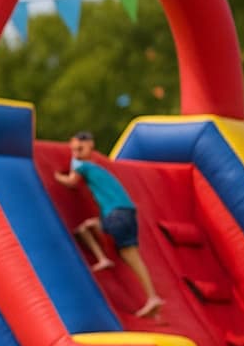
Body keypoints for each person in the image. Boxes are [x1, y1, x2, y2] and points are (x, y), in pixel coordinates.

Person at [54, 131, 164, 319]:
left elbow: (72, 182)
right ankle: (152, 296)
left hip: (115, 213)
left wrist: (57, 176)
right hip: (128, 211)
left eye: (78, 148)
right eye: (73, 149)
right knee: (132, 255)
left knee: (86, 229)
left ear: (89, 146)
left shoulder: (82, 166)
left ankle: (102, 257)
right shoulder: (98, 168)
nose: (75, 152)